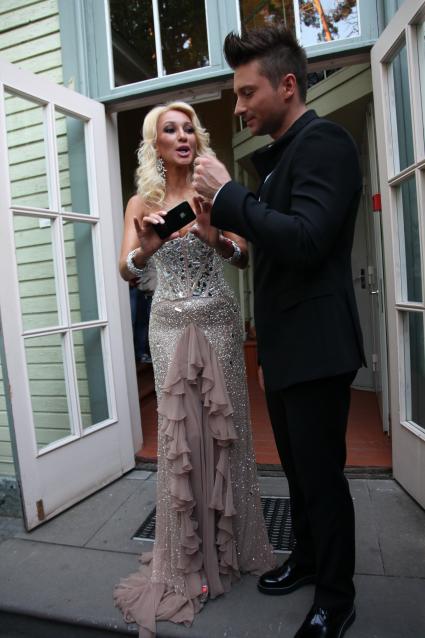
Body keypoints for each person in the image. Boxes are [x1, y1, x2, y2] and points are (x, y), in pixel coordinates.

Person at [193, 25, 365, 638]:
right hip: (289, 350)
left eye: (247, 93)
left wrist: (229, 194)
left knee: (321, 478)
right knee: (297, 473)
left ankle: (336, 599)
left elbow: (308, 241)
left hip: (318, 347)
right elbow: (272, 257)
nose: (238, 107)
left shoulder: (325, 143)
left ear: (287, 85)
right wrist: (224, 238)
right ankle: (310, 559)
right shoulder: (278, 163)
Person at [114, 101, 275, 637]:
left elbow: (243, 256)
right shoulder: (142, 201)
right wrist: (147, 250)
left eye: (189, 128)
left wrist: (213, 238)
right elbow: (125, 269)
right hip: (167, 328)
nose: (182, 135)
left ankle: (230, 548)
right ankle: (186, 557)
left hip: (219, 323)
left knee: (223, 434)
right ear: (155, 145)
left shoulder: (216, 192)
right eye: (170, 130)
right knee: (180, 437)